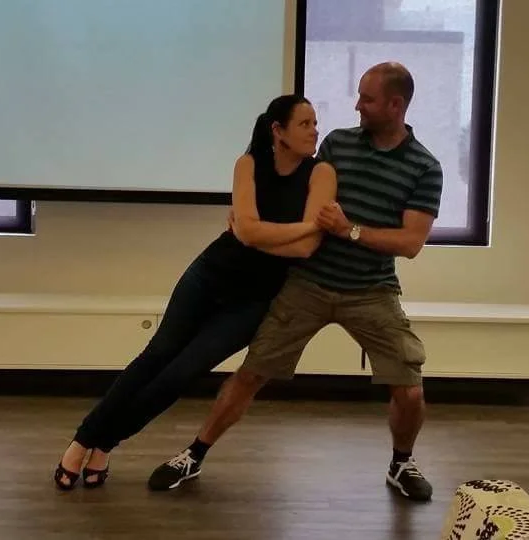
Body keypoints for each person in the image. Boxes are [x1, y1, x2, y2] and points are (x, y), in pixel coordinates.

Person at [148, 62, 443, 502]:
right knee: (251, 374)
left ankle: (402, 463)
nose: (357, 106)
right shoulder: (338, 145)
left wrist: (351, 230)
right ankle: (194, 453)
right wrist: (248, 218)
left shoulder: (425, 167)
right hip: (308, 283)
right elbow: (293, 187)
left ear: (396, 105)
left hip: (372, 291)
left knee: (410, 388)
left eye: (367, 99)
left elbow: (411, 242)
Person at [53, 94, 337, 490]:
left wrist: (256, 234)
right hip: (210, 275)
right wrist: (296, 227)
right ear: (278, 130)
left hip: (253, 299)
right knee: (155, 358)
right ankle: (84, 441)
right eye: (305, 123)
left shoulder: (322, 174)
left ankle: (105, 441)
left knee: (180, 375)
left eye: (314, 123)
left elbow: (296, 245)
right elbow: (259, 232)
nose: (314, 130)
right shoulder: (248, 164)